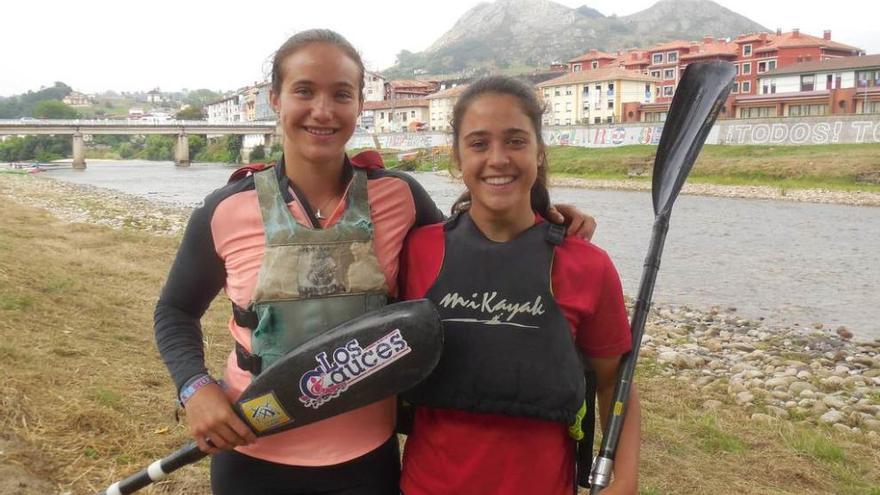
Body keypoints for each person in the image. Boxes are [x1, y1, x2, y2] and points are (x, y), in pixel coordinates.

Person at [154, 30, 595, 495]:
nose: (323, 110)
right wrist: (193, 387)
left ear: (360, 104)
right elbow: (174, 311)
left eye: (341, 94)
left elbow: (470, 245)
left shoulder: (400, 195)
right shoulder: (224, 210)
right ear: (274, 99)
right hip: (250, 451)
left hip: (366, 461)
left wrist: (544, 215)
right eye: (304, 90)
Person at [397, 76, 641, 495]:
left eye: (515, 141)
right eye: (478, 144)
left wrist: (626, 478)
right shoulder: (417, 249)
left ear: (539, 152)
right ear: (456, 157)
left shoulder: (588, 265)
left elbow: (613, 381)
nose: (498, 158)